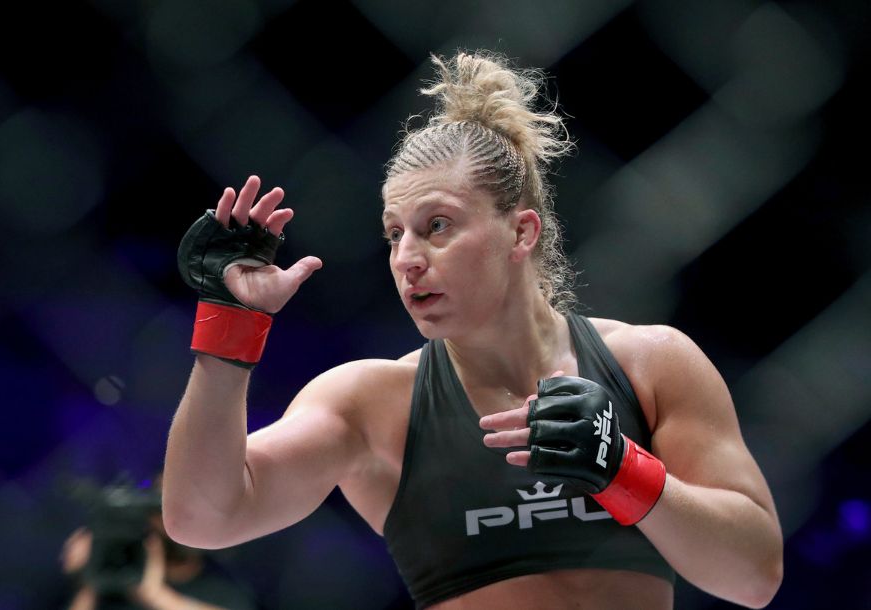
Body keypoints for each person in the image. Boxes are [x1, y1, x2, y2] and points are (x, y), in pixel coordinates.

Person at [164, 51, 783, 609]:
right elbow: (202, 519)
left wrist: (621, 468)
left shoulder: (651, 365)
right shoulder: (373, 403)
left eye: (437, 225)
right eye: (394, 232)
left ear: (521, 232)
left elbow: (754, 576)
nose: (407, 256)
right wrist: (229, 327)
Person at [61, 480, 257, 610]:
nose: (172, 521)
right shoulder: (114, 589)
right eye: (162, 507)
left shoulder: (223, 594)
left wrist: (155, 595)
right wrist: (93, 567)